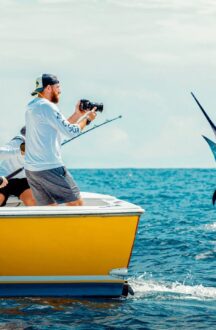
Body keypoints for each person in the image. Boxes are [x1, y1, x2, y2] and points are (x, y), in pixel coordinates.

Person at [25, 73, 97, 206]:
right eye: (57, 87)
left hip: (32, 169)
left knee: (49, 209)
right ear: (48, 88)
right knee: (76, 204)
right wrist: (87, 120)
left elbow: (59, 129)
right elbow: (71, 131)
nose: (60, 90)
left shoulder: (32, 106)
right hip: (50, 167)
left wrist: (77, 115)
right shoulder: (47, 106)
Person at [0, 127, 36, 206]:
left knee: (33, 201)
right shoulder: (18, 141)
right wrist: (20, 151)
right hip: (5, 179)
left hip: (23, 180)